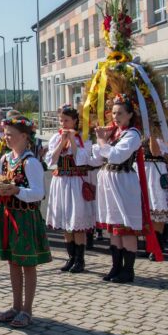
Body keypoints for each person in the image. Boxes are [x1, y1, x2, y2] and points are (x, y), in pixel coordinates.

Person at [0, 115, 50, 328]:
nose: (6, 138)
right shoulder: (6, 159)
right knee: (13, 263)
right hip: (8, 215)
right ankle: (15, 306)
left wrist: (17, 190)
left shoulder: (31, 162)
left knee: (28, 264)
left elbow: (38, 193)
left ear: (25, 136)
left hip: (25, 217)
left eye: (11, 135)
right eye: (5, 134)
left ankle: (27, 309)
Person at [93, 94, 145, 284]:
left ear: (130, 114)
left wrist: (101, 141)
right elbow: (97, 158)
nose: (115, 117)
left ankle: (128, 270)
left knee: (126, 227)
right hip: (108, 179)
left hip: (123, 181)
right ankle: (116, 266)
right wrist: (101, 141)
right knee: (114, 227)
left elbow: (116, 156)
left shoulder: (132, 134)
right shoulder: (115, 133)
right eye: (113, 113)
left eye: (120, 113)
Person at [45, 105, 98, 274]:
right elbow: (51, 160)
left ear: (75, 121)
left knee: (77, 223)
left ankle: (80, 260)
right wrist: (62, 142)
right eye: (61, 120)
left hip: (76, 182)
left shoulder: (83, 138)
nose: (63, 124)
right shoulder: (56, 138)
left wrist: (73, 141)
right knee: (66, 223)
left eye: (66, 120)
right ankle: (71, 257)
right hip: (61, 181)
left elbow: (82, 160)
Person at [139, 137, 168, 260]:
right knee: (144, 208)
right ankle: (148, 246)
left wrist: (151, 134)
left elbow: (155, 152)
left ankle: (157, 247)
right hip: (142, 168)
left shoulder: (159, 135)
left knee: (157, 207)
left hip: (155, 171)